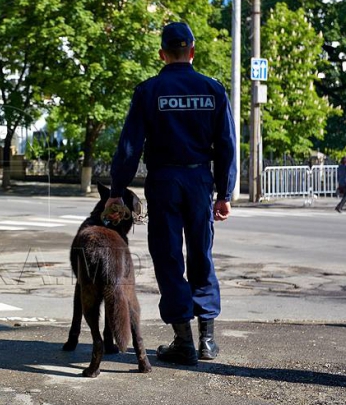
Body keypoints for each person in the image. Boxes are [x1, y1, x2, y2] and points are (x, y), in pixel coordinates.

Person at [105, 22, 237, 366]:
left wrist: (117, 191)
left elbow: (130, 146)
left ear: (162, 54)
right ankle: (208, 340)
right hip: (199, 182)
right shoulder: (213, 89)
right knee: (201, 255)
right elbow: (226, 146)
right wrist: (225, 193)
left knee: (168, 257)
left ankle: (184, 341)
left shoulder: (149, 91)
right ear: (192, 52)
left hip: (164, 181)